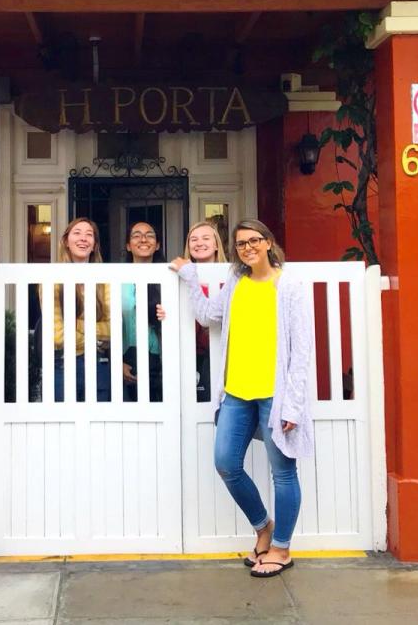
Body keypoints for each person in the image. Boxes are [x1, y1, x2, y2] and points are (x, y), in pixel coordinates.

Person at [170, 219, 313, 578]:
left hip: (274, 395)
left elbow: (301, 351)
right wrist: (189, 277)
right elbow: (207, 316)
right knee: (226, 463)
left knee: (283, 472)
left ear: (268, 243)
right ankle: (263, 527)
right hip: (236, 391)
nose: (247, 248)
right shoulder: (236, 281)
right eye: (240, 244)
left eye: (253, 241)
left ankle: (281, 548)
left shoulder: (290, 284)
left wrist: (293, 404)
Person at [47, 217, 111, 402]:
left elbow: (112, 329)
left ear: (94, 245)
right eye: (77, 233)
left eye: (89, 235)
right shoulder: (52, 280)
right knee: (63, 426)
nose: (83, 238)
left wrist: (75, 324)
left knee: (100, 426)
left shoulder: (104, 280)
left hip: (98, 364)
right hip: (62, 365)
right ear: (66, 241)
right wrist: (96, 338)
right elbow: (58, 337)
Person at [182, 221, 228, 402]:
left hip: (223, 351)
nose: (199, 243)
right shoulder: (180, 274)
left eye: (206, 238)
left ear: (216, 244)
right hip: (191, 351)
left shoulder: (231, 274)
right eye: (193, 239)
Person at [122, 221, 164, 402]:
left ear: (158, 245)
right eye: (136, 235)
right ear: (128, 246)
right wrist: (117, 362)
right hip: (126, 358)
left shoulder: (168, 278)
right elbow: (107, 324)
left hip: (160, 360)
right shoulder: (116, 279)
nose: (143, 239)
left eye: (150, 235)